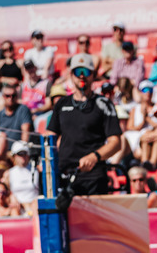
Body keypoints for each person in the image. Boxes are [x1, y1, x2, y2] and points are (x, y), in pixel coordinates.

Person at [45, 53, 122, 196]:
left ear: (92, 75)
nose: (81, 76)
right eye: (77, 72)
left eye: (85, 72)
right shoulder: (62, 104)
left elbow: (116, 142)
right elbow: (50, 136)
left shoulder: (103, 104)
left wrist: (95, 157)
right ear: (71, 75)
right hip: (64, 175)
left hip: (93, 177)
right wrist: (44, 159)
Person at [0, 84, 33, 157]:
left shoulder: (23, 109)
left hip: (17, 153)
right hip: (1, 152)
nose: (10, 98)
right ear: (3, 97)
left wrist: (21, 151)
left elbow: (25, 132)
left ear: (17, 96)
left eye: (13, 95)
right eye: (7, 96)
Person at [4, 141, 39, 210]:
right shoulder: (9, 173)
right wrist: (11, 197)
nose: (22, 156)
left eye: (24, 153)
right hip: (17, 208)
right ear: (14, 156)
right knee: (14, 210)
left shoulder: (37, 170)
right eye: (20, 154)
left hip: (34, 207)